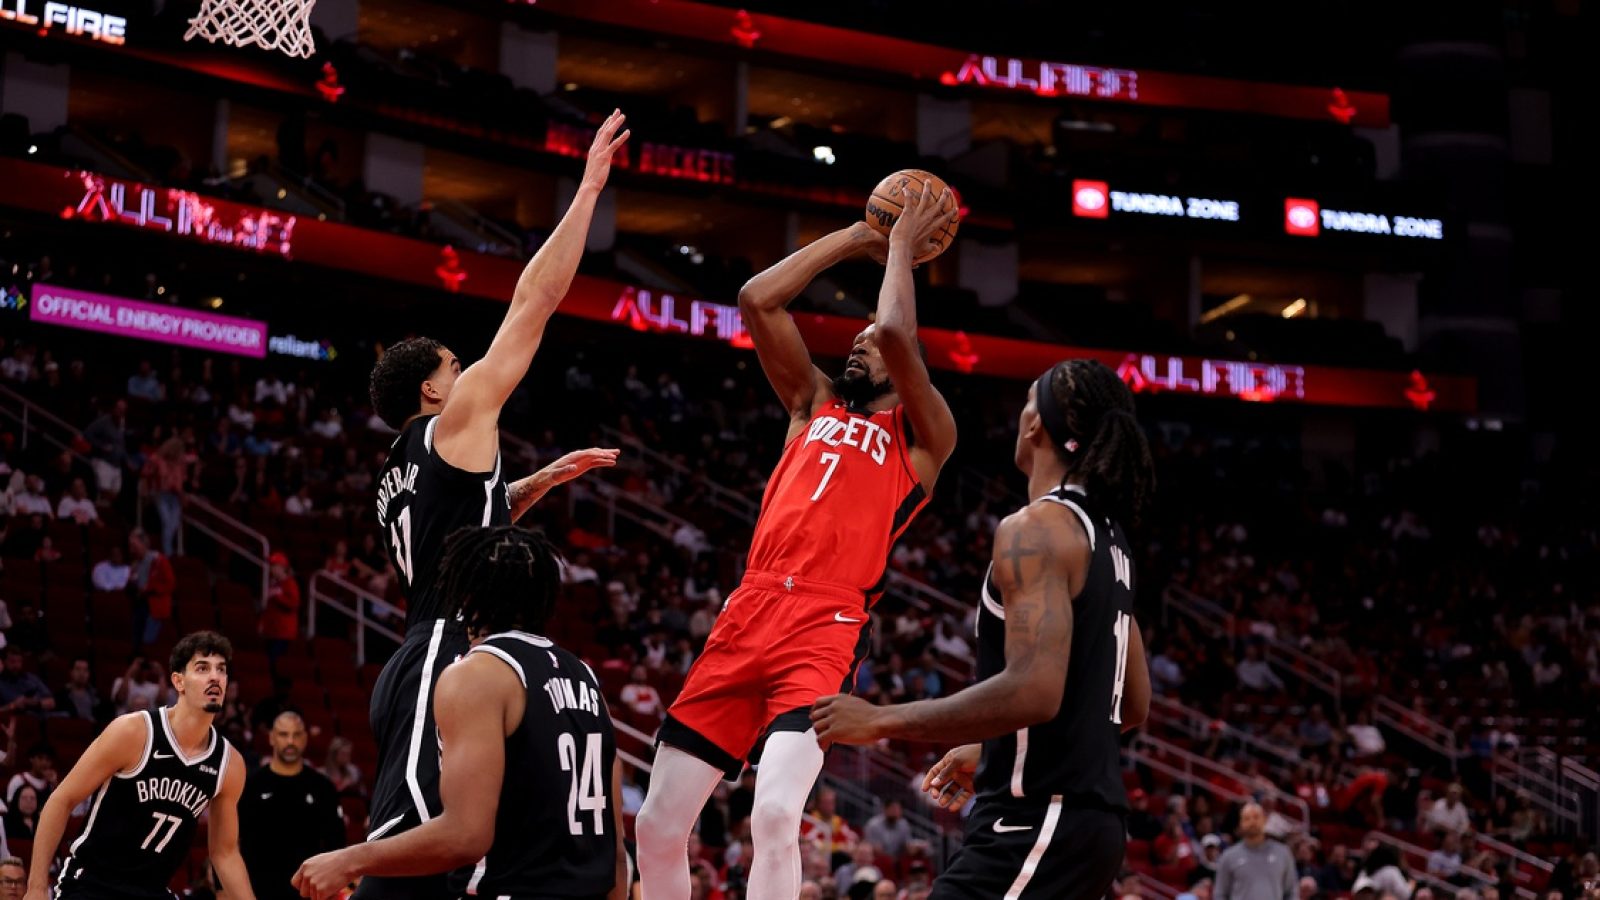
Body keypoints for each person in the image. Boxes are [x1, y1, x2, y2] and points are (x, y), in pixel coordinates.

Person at [638, 181, 960, 900]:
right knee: (657, 826)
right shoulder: (810, 403)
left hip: (825, 623)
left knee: (777, 812)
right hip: (747, 609)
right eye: (855, 338)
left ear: (905, 374)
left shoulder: (923, 442)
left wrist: (902, 246)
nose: (860, 341)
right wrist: (859, 235)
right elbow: (758, 298)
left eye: (870, 343)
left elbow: (900, 335)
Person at [357, 110, 627, 900]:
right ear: (434, 390)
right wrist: (587, 189)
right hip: (446, 649)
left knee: (462, 850)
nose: (469, 367)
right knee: (409, 853)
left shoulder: (398, 470)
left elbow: (459, 528)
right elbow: (533, 301)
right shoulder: (457, 416)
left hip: (422, 647)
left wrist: (530, 486)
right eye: (455, 363)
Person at [811, 357, 1156, 900]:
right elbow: (1129, 703)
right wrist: (1002, 750)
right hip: (1084, 826)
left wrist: (882, 719)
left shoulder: (1038, 528)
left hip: (1038, 821)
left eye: (1026, 400)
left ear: (1037, 424)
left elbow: (1034, 689)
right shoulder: (1109, 540)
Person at [293, 526, 625, 900]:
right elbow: (614, 854)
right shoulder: (586, 677)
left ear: (464, 594)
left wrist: (350, 860)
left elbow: (466, 835)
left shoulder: (477, 674)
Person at [23, 631, 256, 900]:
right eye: (202, 668)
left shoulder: (230, 764)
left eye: (221, 670)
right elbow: (61, 800)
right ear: (178, 682)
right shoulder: (134, 732)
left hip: (152, 891)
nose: (215, 677)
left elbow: (224, 853)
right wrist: (37, 888)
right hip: (93, 884)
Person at [239, 712, 345, 900]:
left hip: (310, 894)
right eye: (283, 734)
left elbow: (336, 845)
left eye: (296, 735)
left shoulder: (323, 788)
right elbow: (233, 845)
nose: (290, 741)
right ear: (271, 738)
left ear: (304, 738)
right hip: (257, 893)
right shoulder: (251, 786)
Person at [1212, 804, 1296, 900]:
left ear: (1264, 820)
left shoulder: (1283, 853)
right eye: (1247, 819)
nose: (1252, 822)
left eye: (1256, 817)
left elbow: (1291, 892)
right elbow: (1220, 894)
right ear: (1241, 824)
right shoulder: (1228, 856)